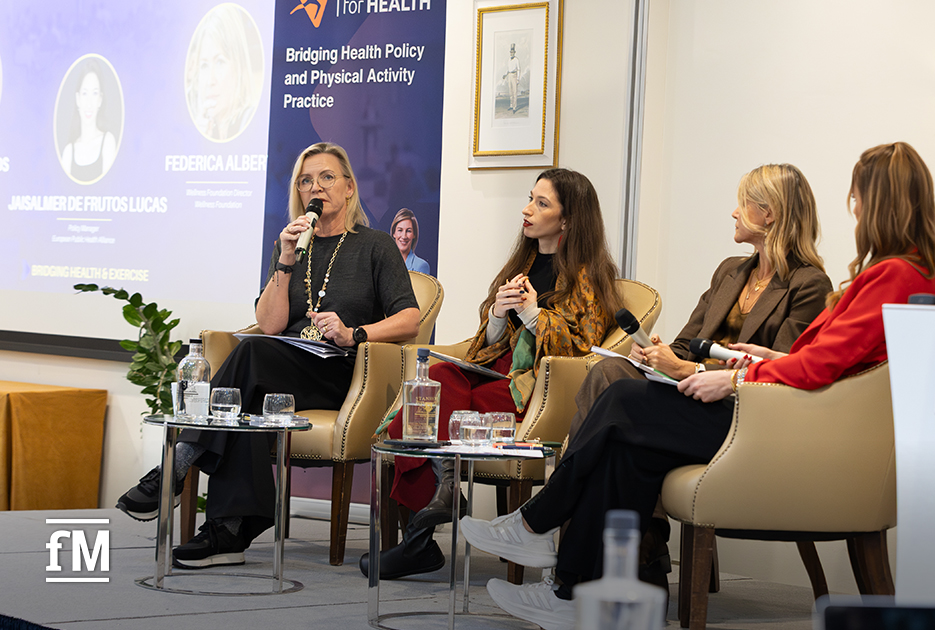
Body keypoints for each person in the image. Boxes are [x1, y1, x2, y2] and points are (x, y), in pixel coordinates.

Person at [460, 141, 935, 630]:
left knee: (623, 399)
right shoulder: (889, 274)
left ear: (881, 204)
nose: (855, 210)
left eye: (859, 199)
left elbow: (820, 370)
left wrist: (732, 375)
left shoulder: (891, 277)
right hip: (762, 404)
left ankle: (534, 523)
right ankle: (574, 592)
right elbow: (817, 361)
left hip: (770, 423)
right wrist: (756, 360)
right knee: (626, 445)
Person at [116, 142, 421, 569]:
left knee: (252, 355)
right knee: (247, 387)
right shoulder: (294, 246)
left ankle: (175, 468)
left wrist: (355, 333)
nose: (316, 187)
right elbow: (271, 323)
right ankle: (230, 529)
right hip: (286, 364)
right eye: (305, 181)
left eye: (327, 177)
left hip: (343, 374)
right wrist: (285, 257)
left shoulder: (375, 245)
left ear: (350, 187)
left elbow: (410, 318)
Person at [564, 163, 832, 584]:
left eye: (743, 203)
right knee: (612, 369)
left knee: (617, 394)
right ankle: (642, 546)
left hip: (740, 416)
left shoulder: (809, 284)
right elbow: (686, 342)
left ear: (771, 214)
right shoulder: (730, 271)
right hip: (685, 398)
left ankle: (581, 533)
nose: (734, 212)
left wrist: (686, 367)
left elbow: (779, 373)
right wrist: (659, 354)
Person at [365, 168, 623, 580]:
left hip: (536, 388)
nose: (527, 210)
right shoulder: (521, 261)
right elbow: (486, 342)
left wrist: (534, 315)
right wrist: (499, 316)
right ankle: (437, 505)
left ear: (569, 218)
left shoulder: (589, 274)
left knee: (439, 411)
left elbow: (582, 348)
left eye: (541, 203)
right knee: (432, 385)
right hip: (492, 373)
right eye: (529, 198)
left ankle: (418, 539)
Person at [185, 3, 263, 141]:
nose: (210, 80)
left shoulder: (252, 123)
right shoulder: (205, 129)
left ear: (239, 66)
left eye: (220, 62)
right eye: (204, 65)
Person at [60, 59, 117, 182]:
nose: (89, 104)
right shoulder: (68, 152)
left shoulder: (108, 142)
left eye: (94, 94)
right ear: (78, 99)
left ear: (100, 100)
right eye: (85, 94)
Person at [390, 208, 431, 274]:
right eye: (400, 230)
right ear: (394, 233)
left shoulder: (421, 266)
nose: (404, 236)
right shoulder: (384, 263)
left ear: (414, 234)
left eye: (408, 231)